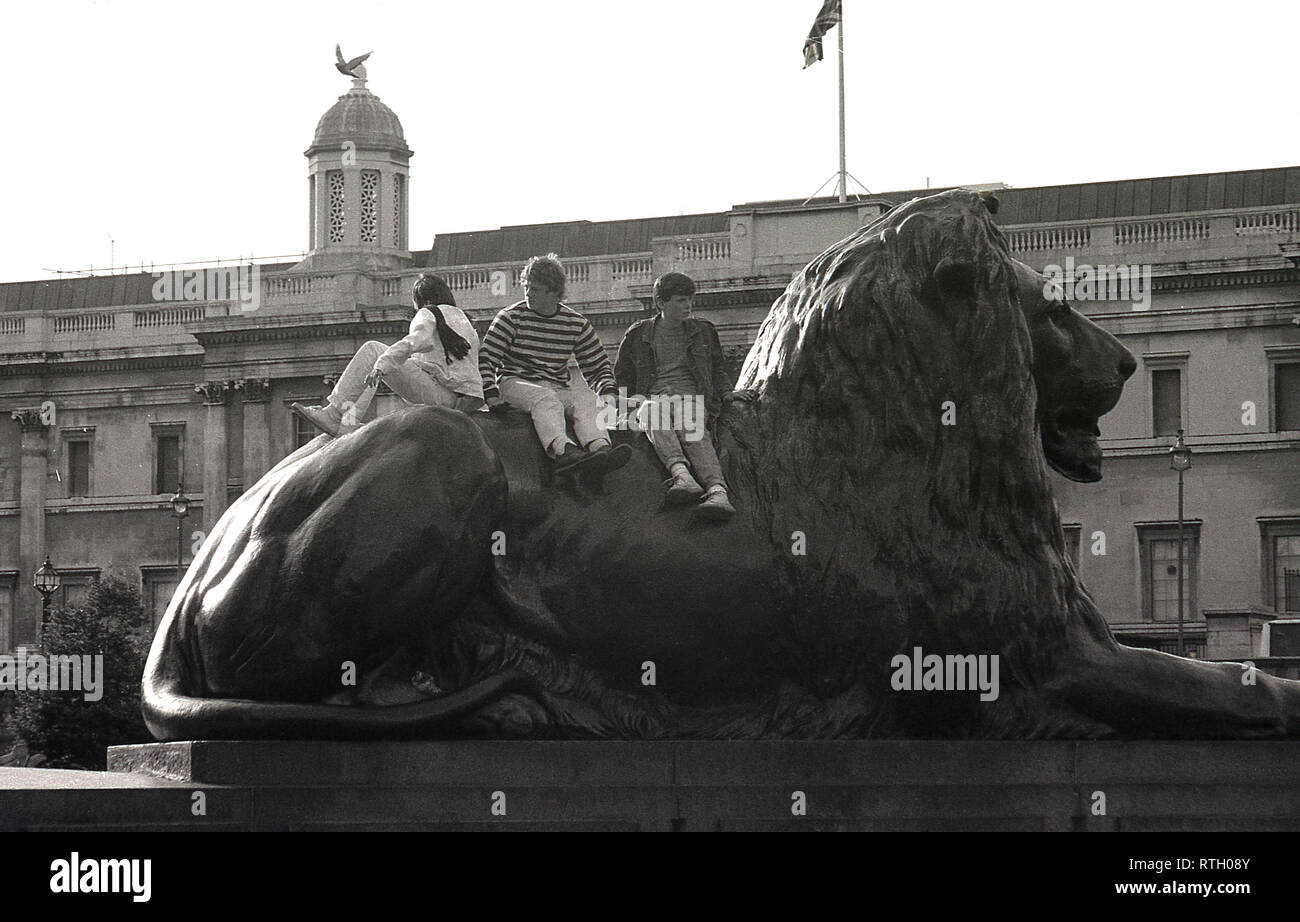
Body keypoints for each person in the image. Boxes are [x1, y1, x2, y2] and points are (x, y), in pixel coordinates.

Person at [479, 253, 630, 475]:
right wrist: (490, 393)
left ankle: (600, 449)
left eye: (536, 289)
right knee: (545, 399)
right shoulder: (510, 317)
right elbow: (487, 357)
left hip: (556, 386)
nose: (528, 293)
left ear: (554, 293)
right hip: (515, 383)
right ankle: (562, 451)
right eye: (527, 287)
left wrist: (607, 390)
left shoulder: (575, 323)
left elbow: (597, 365)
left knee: (585, 401)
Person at [292, 273, 483, 437]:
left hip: (438, 395)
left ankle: (334, 414)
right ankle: (347, 423)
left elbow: (417, 340)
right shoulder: (463, 319)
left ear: (423, 300)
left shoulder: (428, 312)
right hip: (459, 399)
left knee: (373, 351)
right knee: (376, 369)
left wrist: (382, 365)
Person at [614, 272, 735, 519]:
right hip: (654, 399)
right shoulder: (638, 334)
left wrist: (728, 394)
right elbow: (622, 376)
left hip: (691, 398)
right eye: (680, 300)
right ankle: (681, 475)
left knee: (689, 423)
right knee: (649, 410)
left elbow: (717, 368)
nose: (688, 305)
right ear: (661, 303)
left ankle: (717, 491)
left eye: (689, 299)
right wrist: (622, 409)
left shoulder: (703, 330)